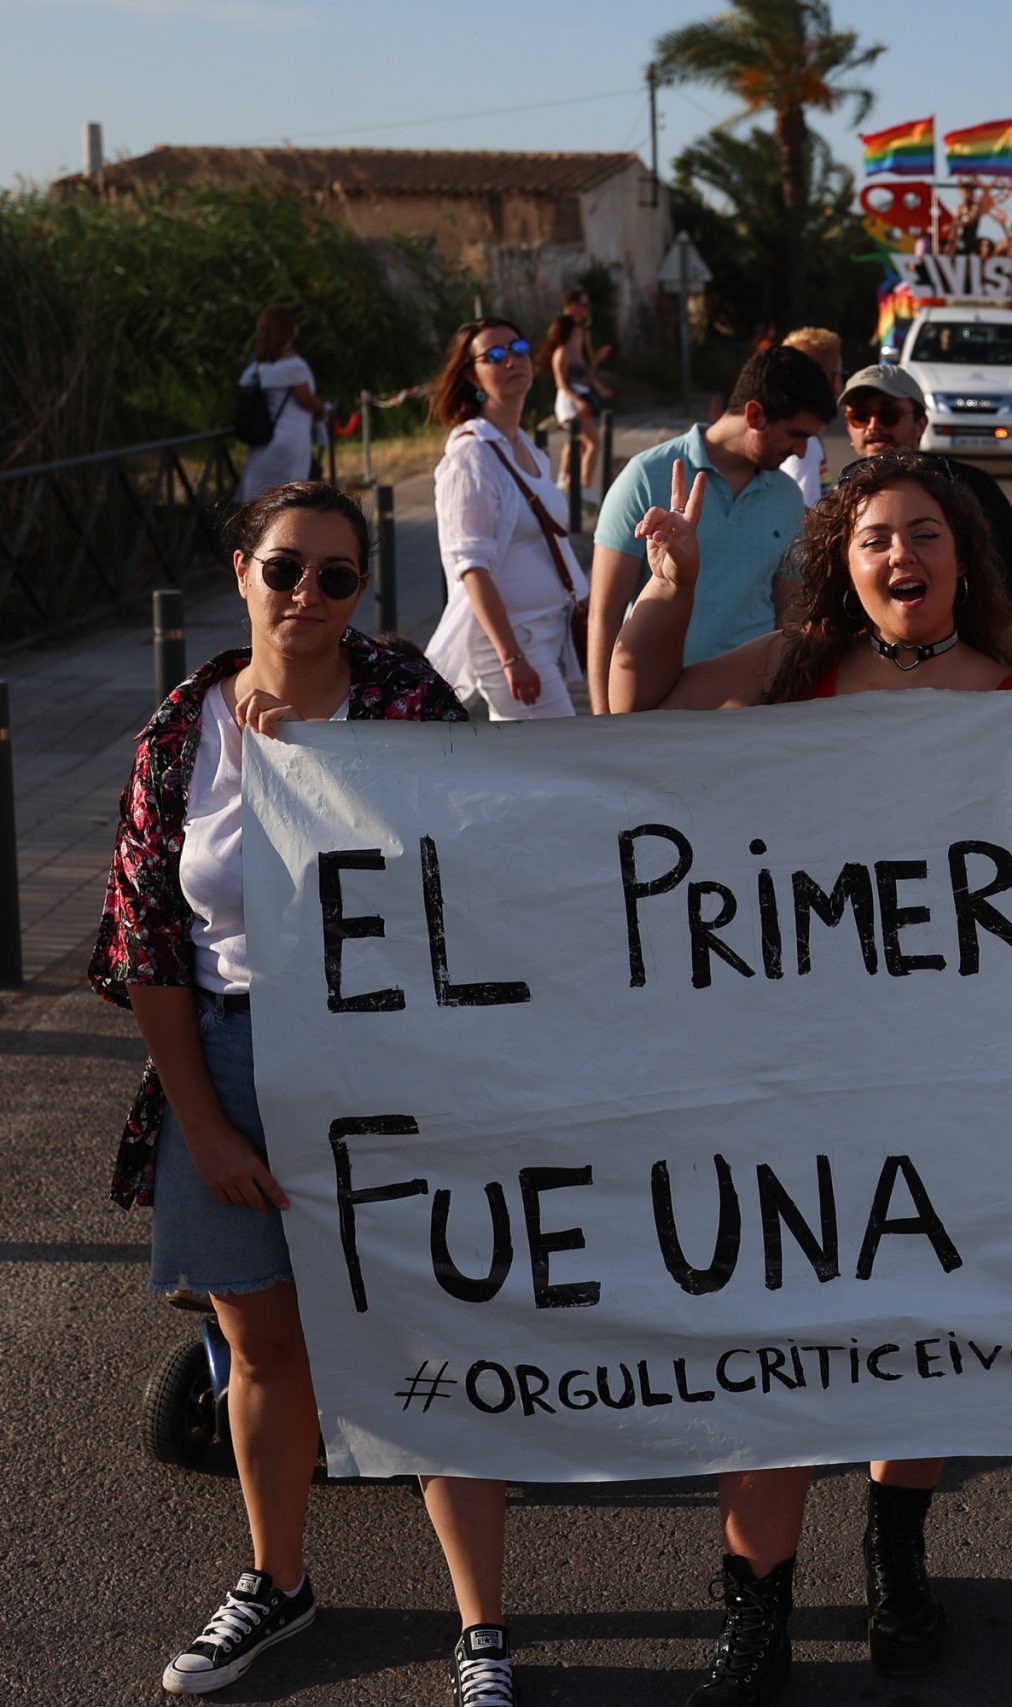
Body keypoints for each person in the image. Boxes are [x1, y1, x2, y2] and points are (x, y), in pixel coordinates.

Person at [87, 483, 519, 1702]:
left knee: (429, 1330)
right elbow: (151, 942)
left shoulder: (399, 699)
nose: (309, 598)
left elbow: (477, 858)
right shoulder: (181, 727)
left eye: (337, 578)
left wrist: (325, 771)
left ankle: (481, 1629)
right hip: (228, 1052)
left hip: (385, 1059)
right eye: (286, 570)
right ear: (241, 572)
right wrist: (206, 1121)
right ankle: (277, 1580)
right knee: (261, 1345)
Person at [607, 454, 1012, 1696]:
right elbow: (642, 710)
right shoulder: (796, 668)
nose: (903, 557)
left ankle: (896, 1552)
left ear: (963, 556)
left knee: (919, 1319)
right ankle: (759, 1607)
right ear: (844, 563)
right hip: (786, 1059)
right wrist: (667, 588)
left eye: (926, 535)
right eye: (877, 539)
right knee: (775, 1330)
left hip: (955, 1060)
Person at [585, 346, 837, 687]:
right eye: (797, 434)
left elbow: (789, 614)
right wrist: (605, 727)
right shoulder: (646, 475)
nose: (803, 451)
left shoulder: (787, 495)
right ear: (754, 414)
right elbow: (604, 615)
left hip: (751, 709)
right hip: (656, 706)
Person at [423, 317, 586, 720]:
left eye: (518, 349)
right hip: (510, 642)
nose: (512, 361)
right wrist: (511, 657)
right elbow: (470, 567)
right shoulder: (471, 456)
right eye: (494, 355)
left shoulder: (525, 445)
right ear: (473, 377)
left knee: (539, 772)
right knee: (562, 761)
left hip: (549, 633)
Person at [838, 362, 1012, 658]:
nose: (873, 425)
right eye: (859, 416)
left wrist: (997, 685)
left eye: (888, 414)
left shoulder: (972, 488)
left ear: (921, 424)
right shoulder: (838, 500)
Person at [234, 306, 318, 504]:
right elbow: (305, 399)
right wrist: (322, 408)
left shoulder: (257, 366)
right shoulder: (294, 365)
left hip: (264, 439)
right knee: (290, 498)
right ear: (288, 331)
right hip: (290, 438)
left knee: (259, 500)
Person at [540, 287, 611, 499]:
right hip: (571, 403)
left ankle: (566, 483)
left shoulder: (580, 343)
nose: (588, 311)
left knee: (577, 443)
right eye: (584, 305)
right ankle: (583, 487)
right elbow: (561, 382)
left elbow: (586, 373)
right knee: (593, 443)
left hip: (580, 399)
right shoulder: (562, 351)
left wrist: (596, 360)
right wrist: (578, 399)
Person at [775, 325, 844, 504]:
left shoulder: (782, 429)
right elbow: (805, 518)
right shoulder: (805, 445)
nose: (840, 388)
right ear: (830, 381)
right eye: (839, 375)